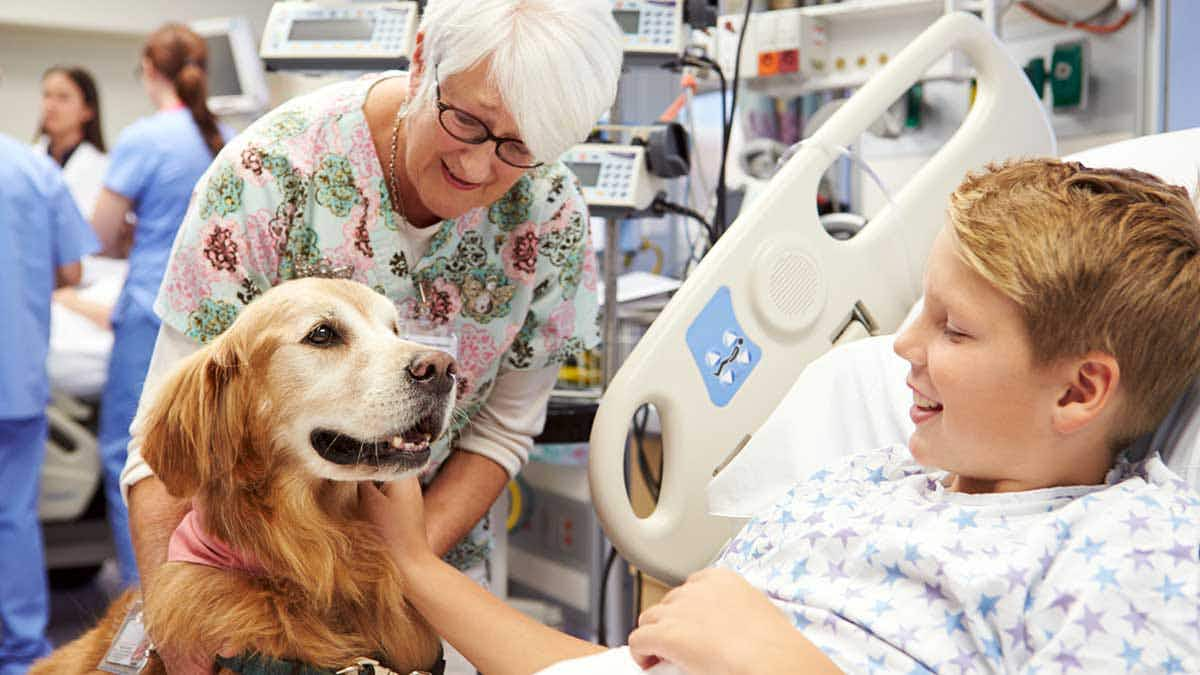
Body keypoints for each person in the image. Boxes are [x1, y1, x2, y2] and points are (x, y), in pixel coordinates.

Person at [360, 159, 1200, 674]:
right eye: (920, 307)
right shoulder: (858, 487)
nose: (901, 344)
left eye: (954, 327)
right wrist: (411, 562)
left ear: (1081, 391)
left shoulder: (1128, 550)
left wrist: (775, 661)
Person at [119, 1, 622, 672]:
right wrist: (177, 638)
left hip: (424, 588)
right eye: (466, 121)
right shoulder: (270, 175)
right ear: (420, 63)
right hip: (244, 584)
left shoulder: (550, 217)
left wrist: (398, 566)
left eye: (518, 147)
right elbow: (167, 442)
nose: (478, 167)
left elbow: (502, 429)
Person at [93, 23, 232, 589]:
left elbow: (99, 235)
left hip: (152, 315)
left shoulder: (145, 138)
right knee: (205, 463)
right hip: (219, 322)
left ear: (150, 69)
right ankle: (202, 595)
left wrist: (134, 234)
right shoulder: (226, 135)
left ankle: (144, 607)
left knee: (134, 460)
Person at [0, 132, 98, 674]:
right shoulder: (32, 169)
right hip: (13, 373)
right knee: (12, 517)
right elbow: (74, 273)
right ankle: (20, 651)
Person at [32, 66, 110, 223]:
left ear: (88, 110)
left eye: (63, 97)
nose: (50, 106)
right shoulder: (27, 159)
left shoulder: (105, 168)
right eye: (47, 95)